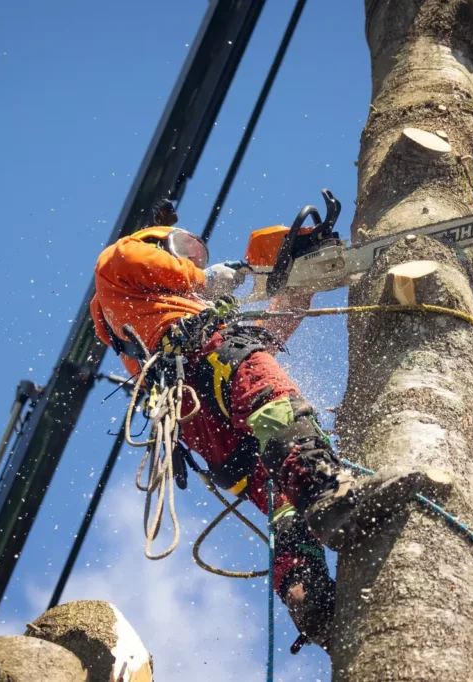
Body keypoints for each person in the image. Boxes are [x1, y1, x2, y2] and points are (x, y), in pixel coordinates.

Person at [90, 200, 428, 652]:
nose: (194, 262)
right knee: (276, 399)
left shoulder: (154, 317)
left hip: (196, 423)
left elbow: (264, 337)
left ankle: (306, 595)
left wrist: (297, 294)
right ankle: (327, 490)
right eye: (187, 252)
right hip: (204, 363)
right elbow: (141, 262)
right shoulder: (122, 263)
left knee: (281, 498)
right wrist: (203, 280)